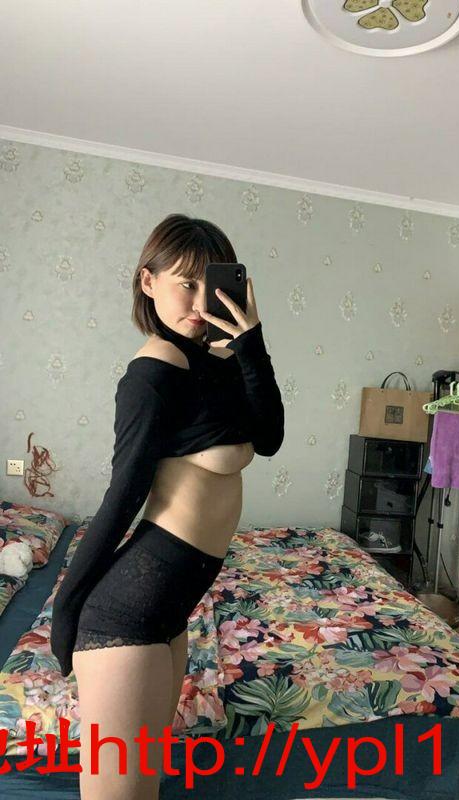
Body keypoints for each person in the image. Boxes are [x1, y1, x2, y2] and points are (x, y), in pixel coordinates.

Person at [50, 214, 285, 799]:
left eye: (211, 285)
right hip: (125, 618)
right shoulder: (151, 373)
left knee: (144, 786)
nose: (200, 302)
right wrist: (67, 608)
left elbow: (270, 437)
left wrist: (252, 341)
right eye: (186, 283)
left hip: (170, 607)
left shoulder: (216, 361)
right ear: (148, 281)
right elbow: (123, 494)